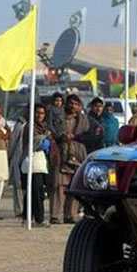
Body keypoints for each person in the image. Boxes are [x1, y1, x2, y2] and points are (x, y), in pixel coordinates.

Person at [51, 94, 89, 224]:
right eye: (71, 103)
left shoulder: (83, 119)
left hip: (77, 154)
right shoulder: (58, 117)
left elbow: (87, 134)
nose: (73, 106)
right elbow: (53, 131)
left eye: (76, 104)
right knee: (59, 185)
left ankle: (70, 215)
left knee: (75, 185)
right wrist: (62, 137)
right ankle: (55, 215)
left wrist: (74, 137)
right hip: (61, 153)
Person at [21, 104, 51, 227]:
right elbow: (32, 143)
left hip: (41, 162)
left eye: (42, 113)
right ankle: (38, 218)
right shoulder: (30, 126)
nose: (40, 115)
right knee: (35, 191)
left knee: (36, 191)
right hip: (32, 162)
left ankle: (28, 217)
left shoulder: (43, 127)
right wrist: (44, 138)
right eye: (37, 112)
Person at [8, 113, 28, 217]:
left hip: (31, 156)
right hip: (18, 155)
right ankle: (19, 210)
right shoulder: (20, 124)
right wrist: (10, 155)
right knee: (18, 185)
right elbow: (13, 141)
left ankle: (27, 209)